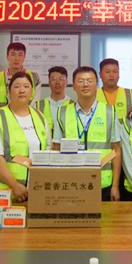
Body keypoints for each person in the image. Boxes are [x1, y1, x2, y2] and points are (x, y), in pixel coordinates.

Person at [53, 66, 122, 201]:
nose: (85, 84)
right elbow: (56, 148)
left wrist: (115, 186)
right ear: (74, 86)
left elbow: (116, 151)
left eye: (89, 81)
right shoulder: (62, 112)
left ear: (96, 85)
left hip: (102, 183)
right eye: (80, 81)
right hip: (71, 182)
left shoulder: (109, 111)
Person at [0, 72, 50, 202]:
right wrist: (15, 186)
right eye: (17, 86)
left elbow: (46, 152)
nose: (22, 90)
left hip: (33, 193)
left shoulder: (40, 117)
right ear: (9, 91)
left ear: (32, 92)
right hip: (2, 195)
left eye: (26, 86)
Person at [0, 42, 41, 111]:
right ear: (7, 57)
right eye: (13, 54)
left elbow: (35, 103)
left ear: (24, 57)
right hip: (2, 115)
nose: (16, 58)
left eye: (20, 55)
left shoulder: (34, 78)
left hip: (26, 115)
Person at [35, 66, 70, 138]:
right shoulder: (38, 105)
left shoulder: (73, 105)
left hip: (66, 144)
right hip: (45, 144)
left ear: (66, 82)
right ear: (49, 83)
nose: (57, 82)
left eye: (61, 79)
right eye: (53, 79)